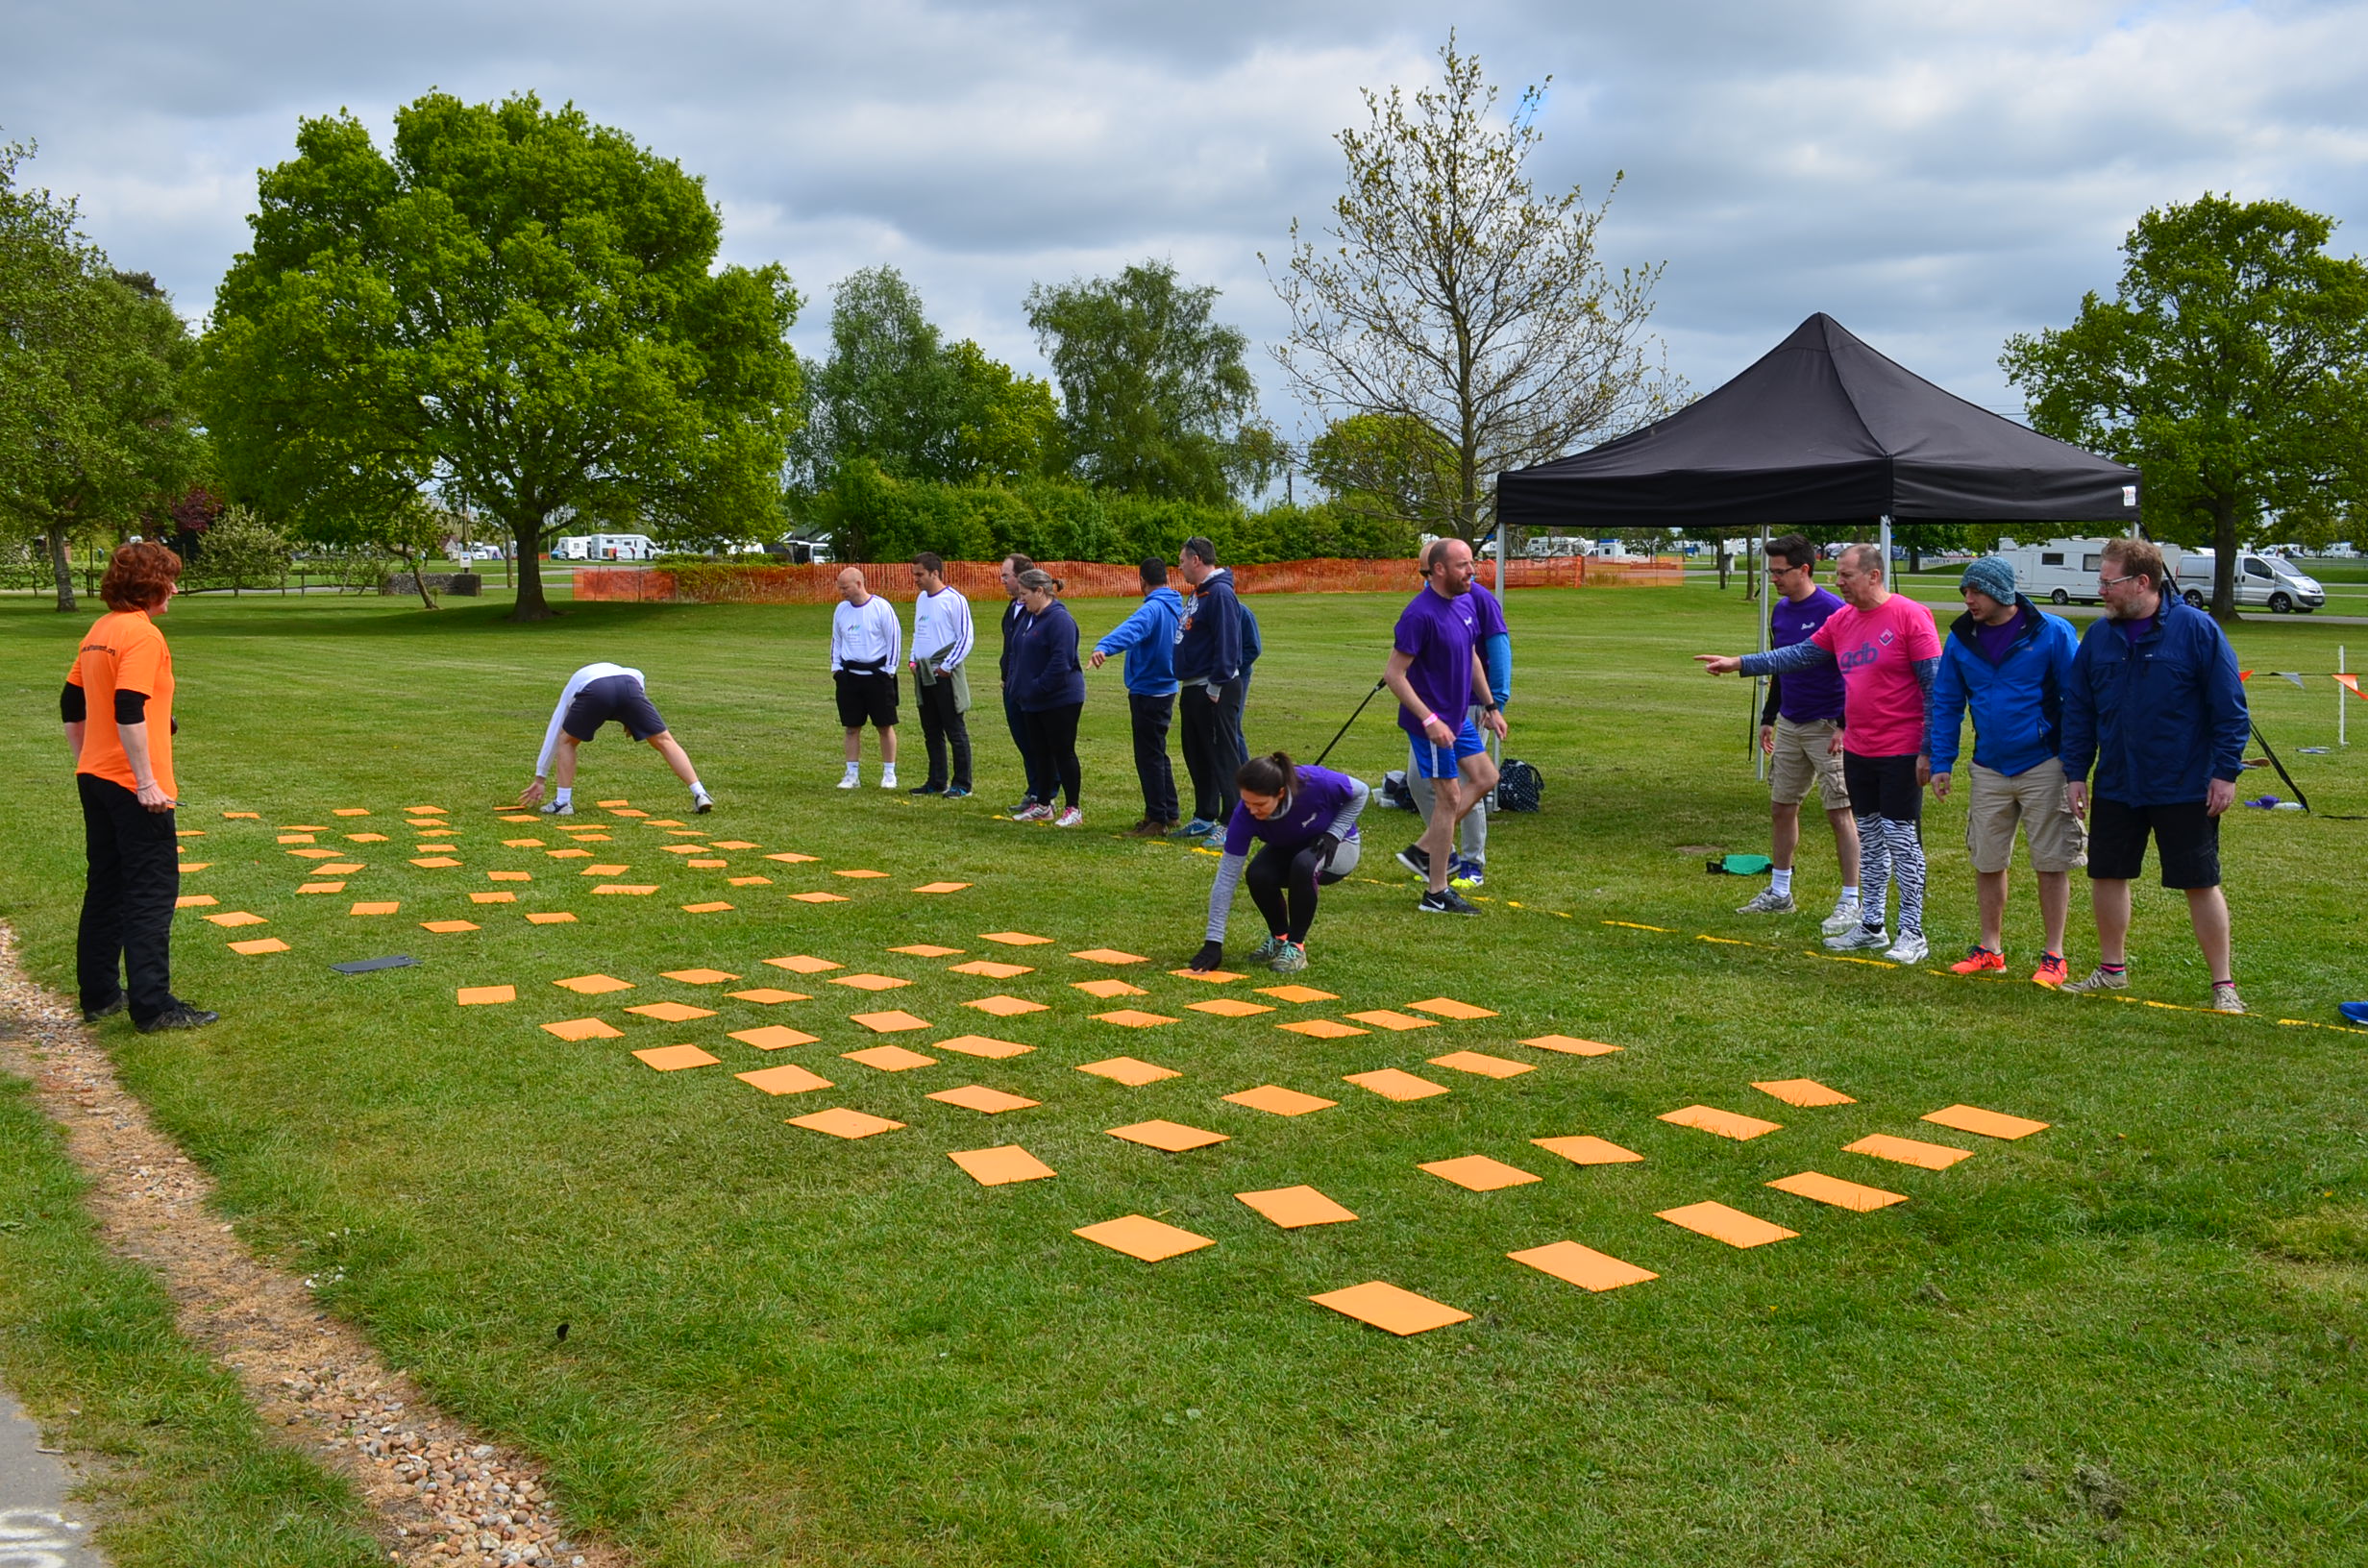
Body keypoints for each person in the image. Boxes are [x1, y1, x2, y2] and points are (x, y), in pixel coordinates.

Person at [1697, 543, 1940, 965]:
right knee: (1871, 838)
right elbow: (1800, 655)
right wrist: (1740, 663)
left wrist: (1930, 750)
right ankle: (1871, 926)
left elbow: (1935, 687)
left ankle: (1912, 933)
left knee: (1902, 842)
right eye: (1837, 575)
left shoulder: (1910, 616)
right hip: (1860, 748)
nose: (1838, 582)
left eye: (1846, 575)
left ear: (1874, 576)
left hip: (1900, 749)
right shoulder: (1843, 620)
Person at [2058, 537, 2250, 1012]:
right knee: (2107, 873)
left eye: (2109, 582)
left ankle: (2223, 984)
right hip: (2118, 781)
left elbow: (2229, 708)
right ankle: (2111, 970)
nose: (2101, 590)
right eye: (2100, 581)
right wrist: (2076, 772)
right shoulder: (2099, 637)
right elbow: (2079, 709)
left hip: (2183, 782)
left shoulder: (2196, 629)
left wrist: (2225, 773)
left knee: (2199, 880)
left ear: (2142, 582)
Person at [62, 541, 215, 1033]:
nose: (175, 590)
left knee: (106, 887)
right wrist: (146, 782)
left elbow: (71, 704)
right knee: (151, 892)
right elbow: (127, 705)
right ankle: (153, 1007)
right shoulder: (143, 634)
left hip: (97, 778)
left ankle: (101, 995)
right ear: (149, 587)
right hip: (134, 787)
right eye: (169, 581)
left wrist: (88, 760)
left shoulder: (100, 630)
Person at [1925, 555, 2086, 986]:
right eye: (1965, 591)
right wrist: (1942, 761)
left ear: (2001, 591)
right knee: (1987, 859)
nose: (1968, 599)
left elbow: (2078, 700)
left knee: (2051, 860)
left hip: (2045, 763)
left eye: (1976, 591)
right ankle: (1990, 949)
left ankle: (2054, 955)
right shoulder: (1961, 639)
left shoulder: (2051, 632)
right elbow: (1947, 703)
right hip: (1989, 767)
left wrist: (2075, 766)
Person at [1735, 534, 1862, 931]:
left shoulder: (1834, 610)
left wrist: (1844, 724)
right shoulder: (1780, 611)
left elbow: (1854, 672)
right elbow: (1780, 664)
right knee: (1781, 806)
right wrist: (1769, 716)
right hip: (1791, 721)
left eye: (1780, 572)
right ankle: (1780, 892)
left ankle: (1851, 900)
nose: (1774, 579)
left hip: (1828, 726)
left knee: (1839, 812)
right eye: (1770, 571)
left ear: (1804, 569)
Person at [1384, 537, 1506, 916]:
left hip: (1457, 717)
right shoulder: (1419, 615)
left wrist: (1491, 705)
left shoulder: (1465, 603)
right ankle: (1436, 892)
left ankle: (1424, 849)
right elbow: (1394, 675)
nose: (1472, 571)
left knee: (1486, 777)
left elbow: (1471, 657)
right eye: (1463, 565)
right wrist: (1429, 719)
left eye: (1472, 563)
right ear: (1438, 569)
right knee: (1449, 797)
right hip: (1433, 723)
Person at [1189, 750, 1369, 975]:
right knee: (1258, 874)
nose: (1252, 810)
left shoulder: (1316, 782)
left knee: (1304, 865)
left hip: (1338, 847)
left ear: (1281, 793)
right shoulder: (1244, 815)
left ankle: (1296, 947)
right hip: (1292, 848)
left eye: (1259, 804)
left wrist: (1334, 833)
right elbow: (1226, 878)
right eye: (1246, 802)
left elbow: (1362, 791)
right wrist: (1213, 942)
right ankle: (1280, 938)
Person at [1405, 574, 1511, 888]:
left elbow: (1496, 649)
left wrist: (1495, 702)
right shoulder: (1427, 603)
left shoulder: (1478, 599)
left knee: (1469, 782)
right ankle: (1439, 853)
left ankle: (1471, 863)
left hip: (1471, 706)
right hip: (1434, 710)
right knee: (1418, 781)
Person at [522, 662, 712, 815]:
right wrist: (631, 719)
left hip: (596, 690)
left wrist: (540, 778)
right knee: (664, 740)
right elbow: (638, 681)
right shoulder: (630, 674)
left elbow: (555, 730)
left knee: (566, 741)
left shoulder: (575, 685)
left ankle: (563, 802)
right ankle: (700, 793)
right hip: (630, 688)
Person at [1090, 556, 1185, 836]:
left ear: (1141, 580)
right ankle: (1170, 812)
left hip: (1149, 689)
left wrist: (1104, 646)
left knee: (1148, 756)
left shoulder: (1153, 608)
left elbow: (1132, 629)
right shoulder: (1176, 605)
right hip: (1167, 686)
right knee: (1157, 753)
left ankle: (1157, 818)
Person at [1172, 536, 1247, 841]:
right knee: (1197, 753)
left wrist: (1216, 685)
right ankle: (1205, 815)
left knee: (1222, 754)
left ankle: (1234, 822)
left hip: (1214, 687)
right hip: (1193, 685)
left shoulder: (1220, 594)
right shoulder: (1199, 594)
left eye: (1181, 561)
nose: (1179, 567)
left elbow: (1228, 642)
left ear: (1196, 560)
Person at [1007, 569, 1087, 826]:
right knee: (1039, 752)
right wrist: (1017, 685)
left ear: (1040, 591)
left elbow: (1061, 662)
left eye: (1025, 594)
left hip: (1061, 698)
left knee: (1063, 752)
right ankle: (1043, 804)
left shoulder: (1060, 620)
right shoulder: (1030, 618)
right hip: (1032, 700)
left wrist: (1036, 687)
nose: (1021, 600)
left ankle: (1073, 808)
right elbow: (1018, 653)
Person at [907, 552, 974, 798]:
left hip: (944, 674)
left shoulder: (954, 600)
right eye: (914, 574)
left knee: (954, 729)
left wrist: (947, 666)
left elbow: (965, 636)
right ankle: (936, 781)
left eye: (920, 574)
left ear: (935, 573)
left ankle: (963, 784)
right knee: (931, 730)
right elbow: (919, 632)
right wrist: (913, 658)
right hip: (923, 672)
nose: (916, 579)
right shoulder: (921, 599)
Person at [830, 566, 901, 790]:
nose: (842, 592)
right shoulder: (841, 610)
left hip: (878, 676)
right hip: (850, 677)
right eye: (840, 588)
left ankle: (889, 774)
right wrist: (836, 668)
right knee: (851, 727)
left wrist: (889, 670)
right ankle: (852, 774)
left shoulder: (881, 607)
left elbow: (894, 639)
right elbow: (837, 640)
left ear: (859, 584)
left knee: (884, 726)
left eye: (845, 587)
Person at [997, 553, 1054, 814]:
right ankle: (1034, 789)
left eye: (1006, 575)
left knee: (1038, 741)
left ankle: (1047, 794)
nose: (1002, 580)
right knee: (1022, 739)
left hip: (1031, 686)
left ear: (1021, 577)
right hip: (1012, 684)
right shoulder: (1013, 608)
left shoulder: (1042, 612)